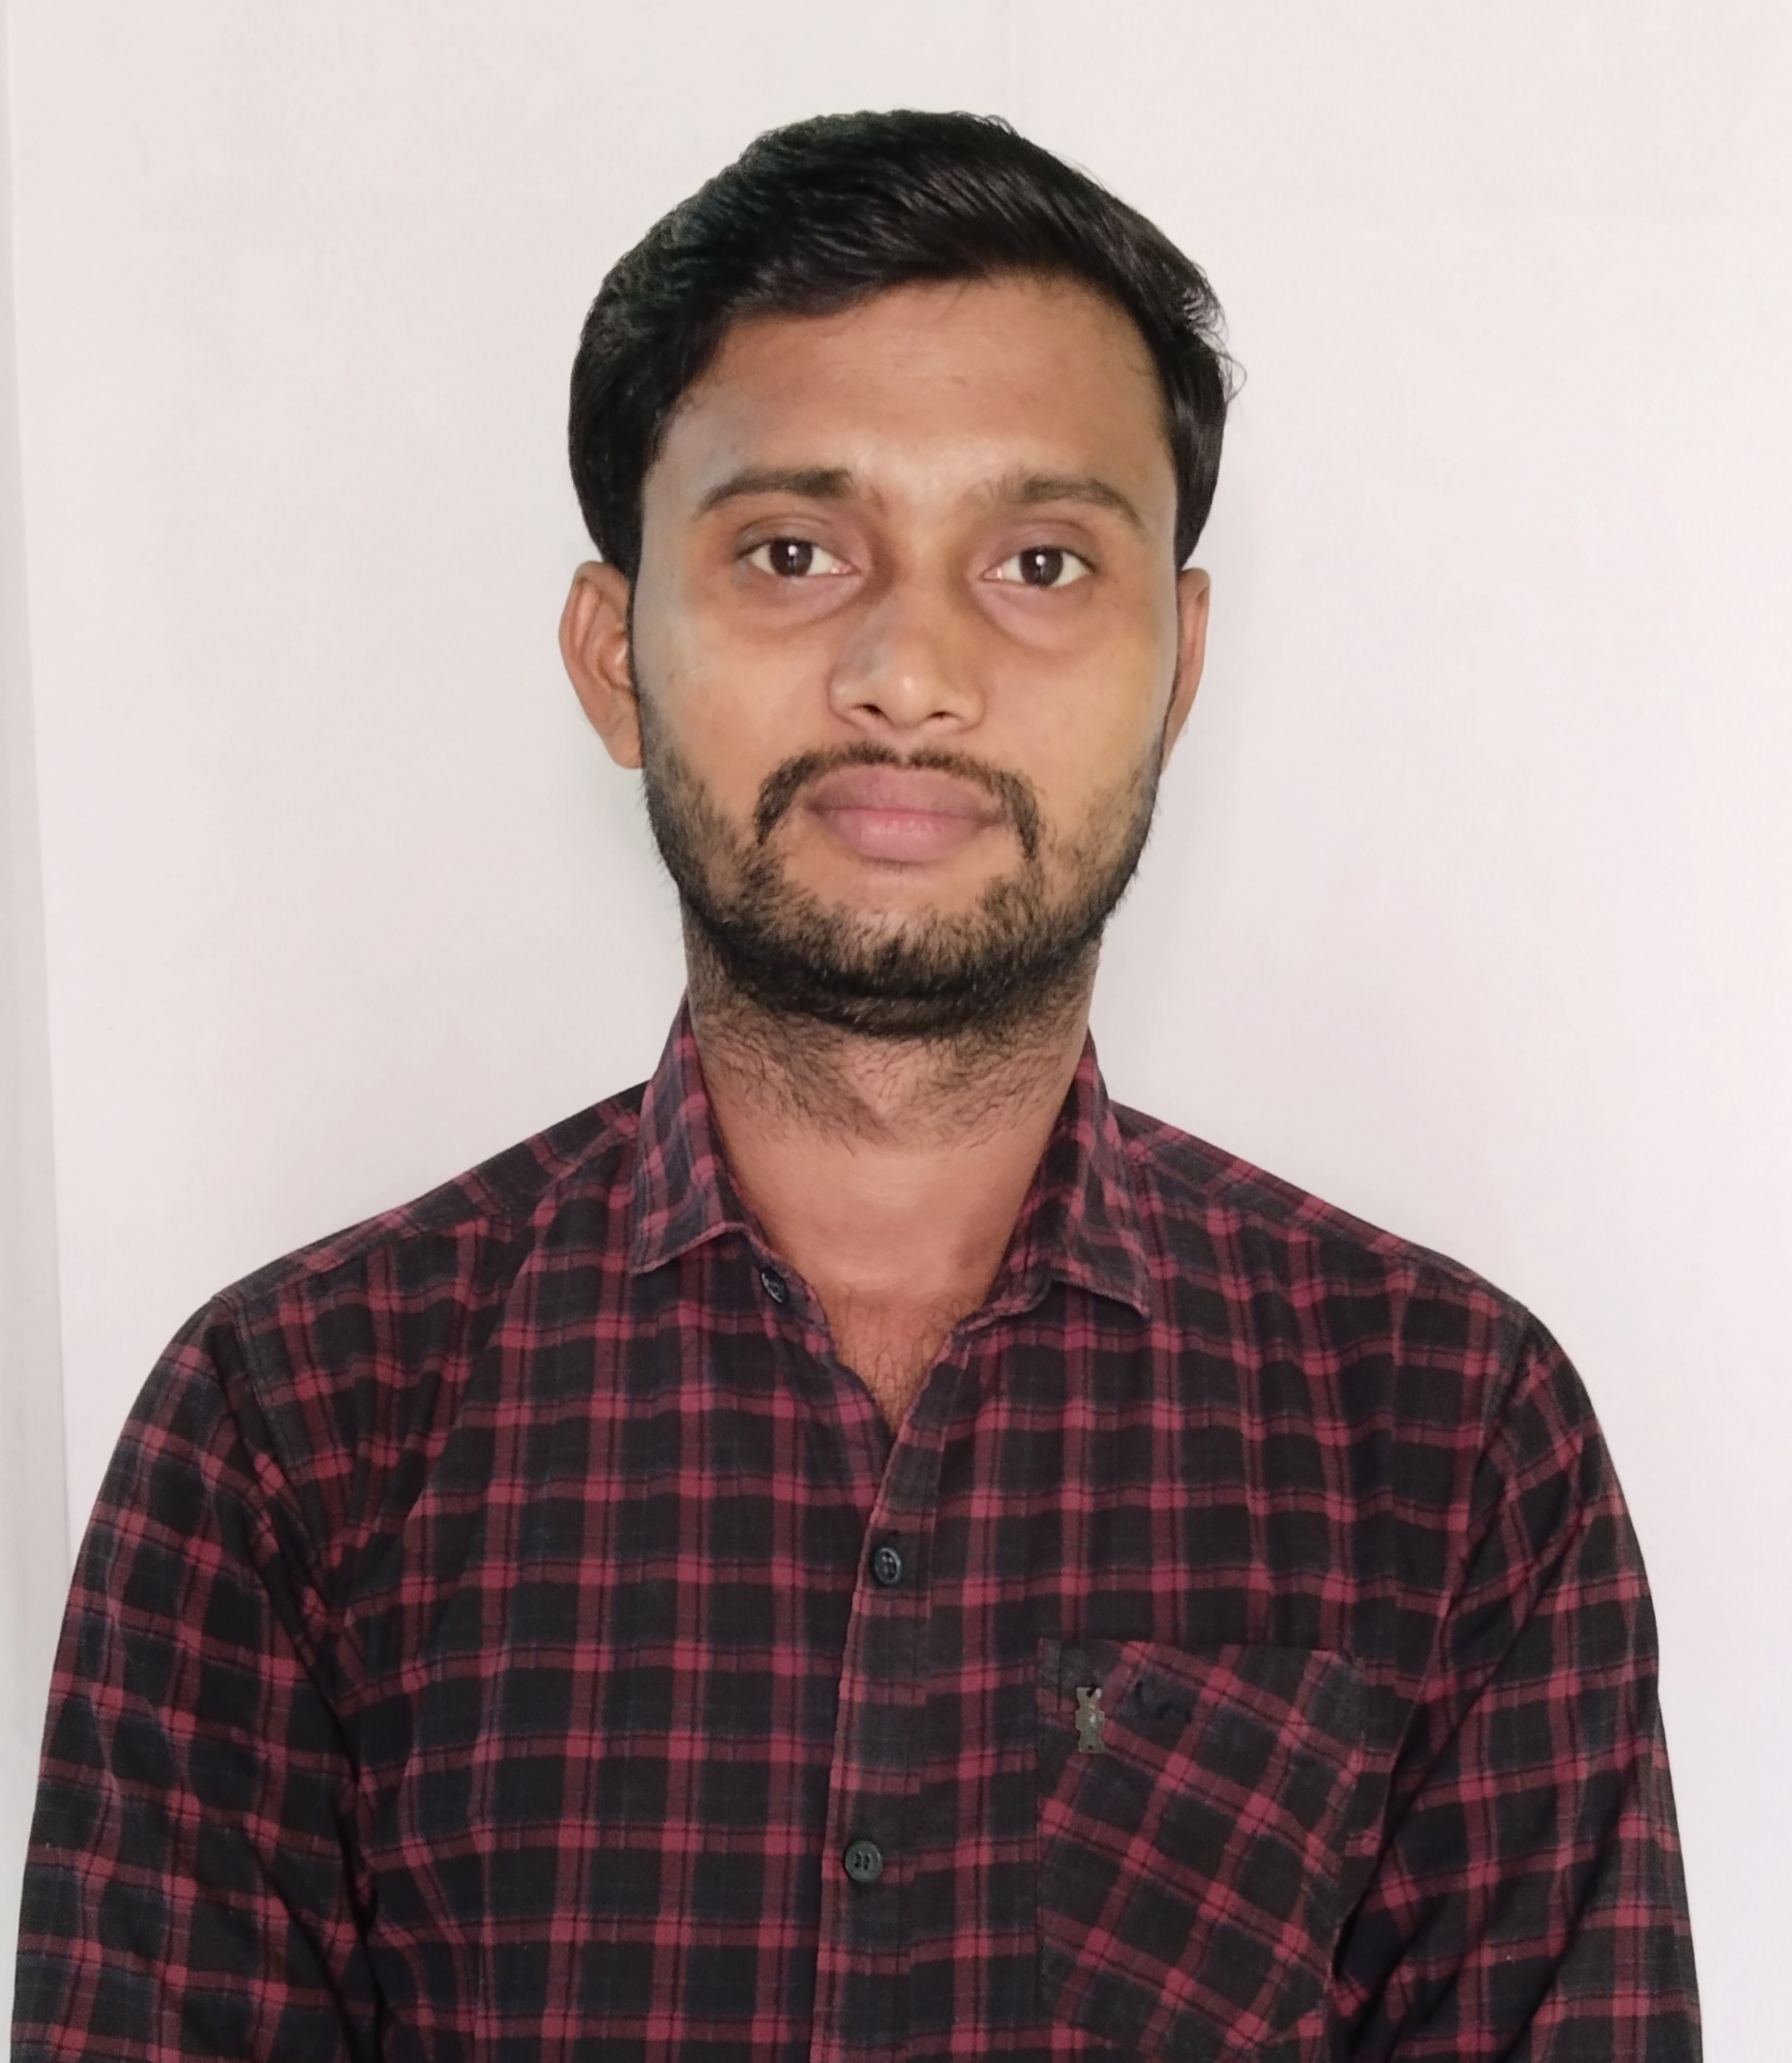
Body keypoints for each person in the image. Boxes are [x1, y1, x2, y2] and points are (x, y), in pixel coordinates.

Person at [13, 110, 1699, 2061]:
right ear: (614, 656)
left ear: (1176, 668)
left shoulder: (1449, 1438)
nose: (909, 669)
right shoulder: (291, 1434)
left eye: (1040, 561)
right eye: (793, 552)